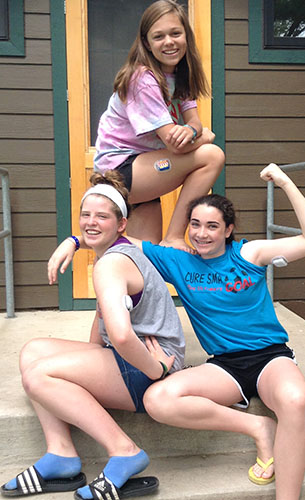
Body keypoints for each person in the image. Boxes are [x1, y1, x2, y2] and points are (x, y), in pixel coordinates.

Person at [48, 163, 305, 500]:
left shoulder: (249, 254)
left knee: (296, 400)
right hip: (223, 365)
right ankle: (261, 427)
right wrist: (74, 240)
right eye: (195, 224)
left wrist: (284, 182)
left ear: (228, 230)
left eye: (212, 226)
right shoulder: (178, 261)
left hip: (269, 358)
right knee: (158, 399)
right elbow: (117, 237)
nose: (201, 233)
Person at [1, 171, 185, 499]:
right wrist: (72, 241)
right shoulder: (118, 251)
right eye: (85, 215)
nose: (90, 223)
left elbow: (124, 336)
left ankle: (125, 450)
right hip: (133, 358)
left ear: (122, 224)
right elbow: (105, 320)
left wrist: (158, 370)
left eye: (102, 216)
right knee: (32, 351)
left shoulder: (110, 265)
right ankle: (61, 454)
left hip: (151, 367)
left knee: (38, 376)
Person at [94, 0, 225, 249]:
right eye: (159, 36)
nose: (169, 42)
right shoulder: (143, 79)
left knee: (144, 261)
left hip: (144, 172)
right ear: (146, 43)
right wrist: (204, 138)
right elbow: (175, 147)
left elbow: (194, 120)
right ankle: (175, 236)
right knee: (212, 155)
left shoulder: (179, 75)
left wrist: (191, 130)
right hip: (120, 171)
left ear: (186, 36)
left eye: (176, 33)